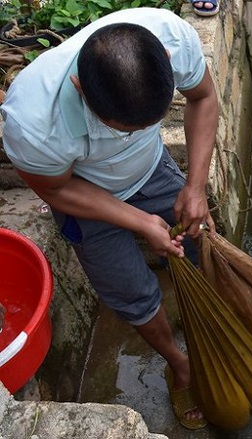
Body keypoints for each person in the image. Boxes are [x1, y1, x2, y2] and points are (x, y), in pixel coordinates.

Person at [0, 7, 218, 430]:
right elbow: (56, 189)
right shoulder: (32, 123)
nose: (132, 134)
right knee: (132, 294)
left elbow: (204, 98)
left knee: (201, 239)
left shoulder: (171, 35)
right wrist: (139, 222)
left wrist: (195, 185)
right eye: (121, 128)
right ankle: (180, 364)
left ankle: (208, 322)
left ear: (167, 63)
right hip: (86, 197)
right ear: (81, 88)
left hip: (151, 169)